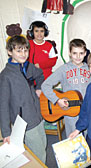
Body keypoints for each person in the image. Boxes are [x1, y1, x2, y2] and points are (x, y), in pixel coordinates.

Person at [0, 35, 47, 163]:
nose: (23, 54)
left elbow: (40, 75)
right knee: (38, 153)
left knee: (43, 144)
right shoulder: (5, 76)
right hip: (25, 121)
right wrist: (6, 133)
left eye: (25, 50)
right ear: (10, 52)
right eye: (19, 50)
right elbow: (3, 106)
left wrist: (39, 88)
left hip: (37, 115)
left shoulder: (28, 66)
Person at [41, 39, 91, 138]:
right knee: (74, 142)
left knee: (89, 138)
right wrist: (57, 100)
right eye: (74, 53)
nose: (78, 57)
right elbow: (45, 85)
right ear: (69, 53)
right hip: (70, 113)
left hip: (87, 111)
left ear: (85, 53)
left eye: (81, 53)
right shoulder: (64, 69)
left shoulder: (90, 69)